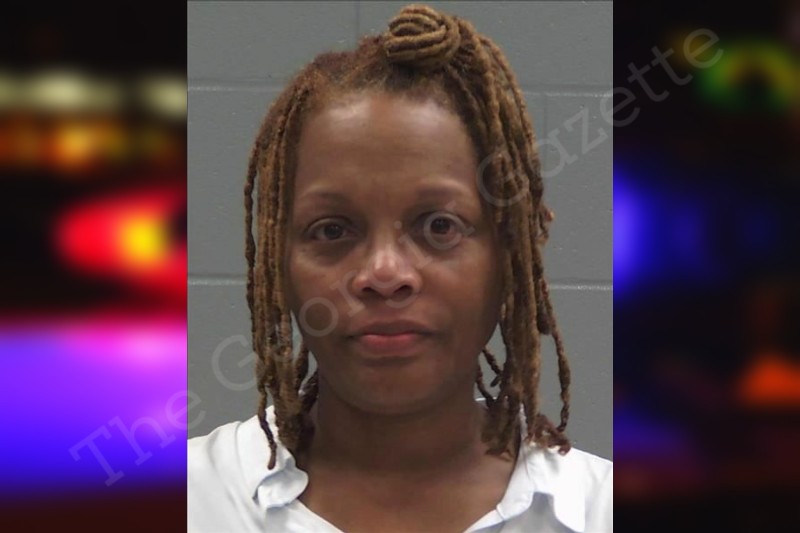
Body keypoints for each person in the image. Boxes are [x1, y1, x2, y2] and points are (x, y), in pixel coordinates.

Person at [188, 4, 612, 532]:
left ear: (508, 258)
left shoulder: (597, 510)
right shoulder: (189, 499)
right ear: (280, 266)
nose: (385, 275)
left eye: (439, 226)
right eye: (332, 230)